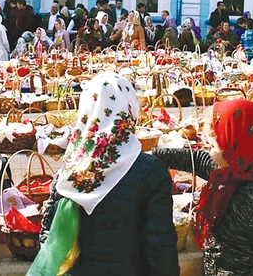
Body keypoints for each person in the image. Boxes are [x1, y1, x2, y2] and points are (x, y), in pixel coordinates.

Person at [31, 72, 178, 276]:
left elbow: (50, 239)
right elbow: (160, 247)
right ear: (130, 110)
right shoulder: (150, 171)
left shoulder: (69, 171)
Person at [152, 100, 253, 275]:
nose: (209, 150)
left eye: (214, 145)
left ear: (236, 146)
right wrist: (149, 157)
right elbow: (199, 160)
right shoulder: (236, 171)